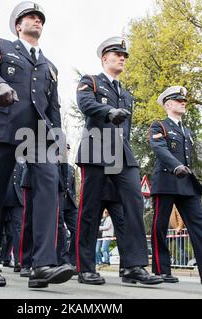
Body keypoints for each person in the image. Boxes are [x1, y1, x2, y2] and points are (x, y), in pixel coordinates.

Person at [0, 1, 73, 288]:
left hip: (38, 137)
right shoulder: (0, 45)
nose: (37, 20)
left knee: (48, 188)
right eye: (30, 16)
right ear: (18, 25)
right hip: (2, 128)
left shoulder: (50, 67)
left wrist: (58, 141)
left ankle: (41, 264)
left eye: (40, 17)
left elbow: (53, 108)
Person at [75, 36, 163, 286]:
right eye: (117, 54)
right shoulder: (90, 81)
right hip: (95, 150)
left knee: (133, 205)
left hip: (120, 153)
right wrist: (108, 112)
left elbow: (127, 126)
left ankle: (133, 266)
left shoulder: (126, 94)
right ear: (105, 58)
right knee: (90, 209)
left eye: (124, 55)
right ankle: (85, 267)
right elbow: (85, 105)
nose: (122, 58)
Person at [149, 86, 202, 284]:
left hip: (187, 184)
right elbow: (159, 148)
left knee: (198, 227)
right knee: (160, 226)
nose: (183, 102)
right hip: (166, 181)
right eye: (178, 100)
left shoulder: (187, 131)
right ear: (168, 105)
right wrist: (176, 165)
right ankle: (161, 270)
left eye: (183, 100)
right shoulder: (159, 126)